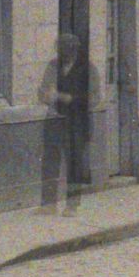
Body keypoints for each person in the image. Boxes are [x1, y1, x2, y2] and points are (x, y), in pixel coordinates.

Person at [38, 33, 94, 215]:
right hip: (54, 120)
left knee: (75, 163)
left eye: (67, 51)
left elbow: (94, 98)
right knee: (49, 162)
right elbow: (42, 90)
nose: (62, 54)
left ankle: (72, 205)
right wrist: (45, 95)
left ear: (74, 51)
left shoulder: (87, 69)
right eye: (60, 50)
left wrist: (66, 98)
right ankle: (48, 204)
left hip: (77, 122)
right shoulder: (52, 66)